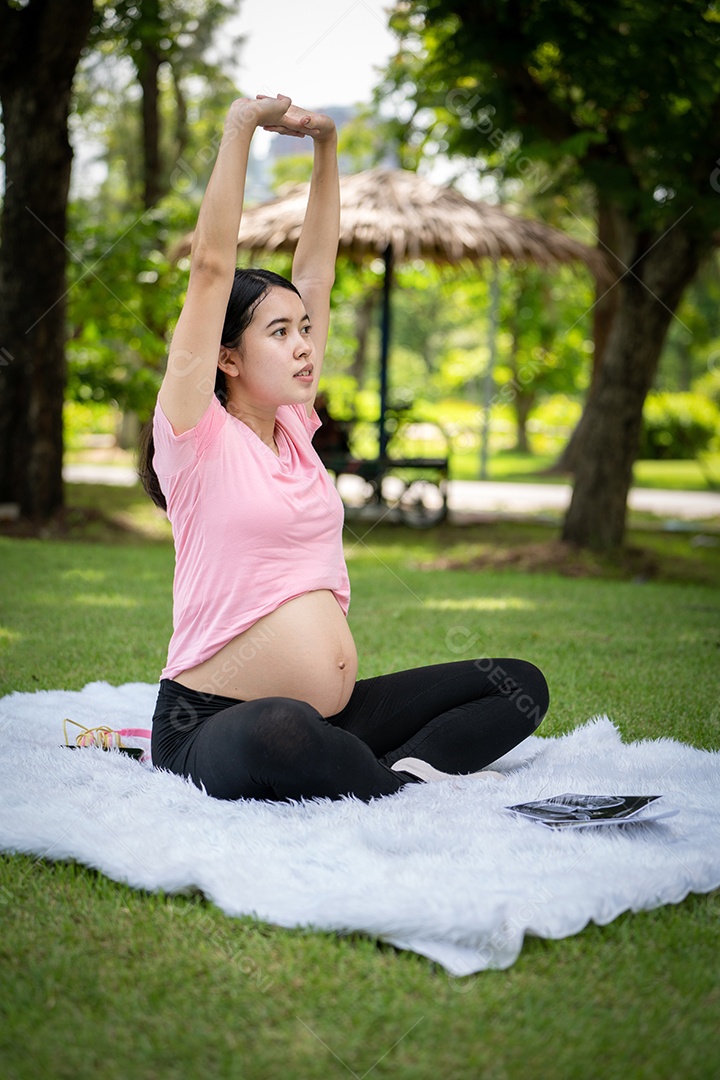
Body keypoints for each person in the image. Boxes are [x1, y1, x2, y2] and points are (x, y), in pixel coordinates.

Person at [139, 93, 549, 803]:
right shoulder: (193, 437)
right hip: (212, 721)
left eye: (305, 330)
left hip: (338, 711)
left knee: (516, 688)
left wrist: (326, 149)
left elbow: (318, 271)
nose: (303, 346)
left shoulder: (296, 429)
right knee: (283, 731)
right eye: (279, 333)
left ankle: (386, 776)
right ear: (227, 358)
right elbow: (210, 269)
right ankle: (387, 780)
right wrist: (239, 127)